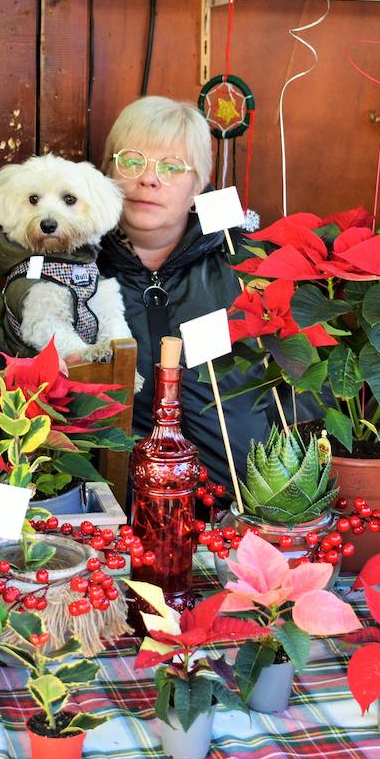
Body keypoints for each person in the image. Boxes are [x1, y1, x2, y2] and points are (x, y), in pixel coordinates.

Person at [97, 96, 287, 487]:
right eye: (132, 161)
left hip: (242, 502)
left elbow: (297, 388)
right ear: (106, 170)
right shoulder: (77, 272)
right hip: (114, 512)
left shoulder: (247, 265)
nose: (149, 179)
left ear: (199, 185)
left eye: (172, 167)